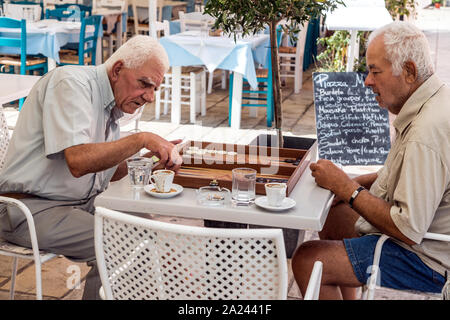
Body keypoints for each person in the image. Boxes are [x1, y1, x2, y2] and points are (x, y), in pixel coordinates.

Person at [0, 35, 182, 299]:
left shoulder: (112, 102)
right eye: (145, 84)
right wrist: (141, 139)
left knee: (150, 230)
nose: (150, 97)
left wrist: (153, 162)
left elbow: (104, 170)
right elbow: (79, 161)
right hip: (29, 208)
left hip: (75, 203)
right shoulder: (71, 83)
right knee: (124, 243)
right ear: (118, 69)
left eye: (155, 88)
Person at [292, 21, 450, 300]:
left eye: (375, 71)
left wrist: (348, 189)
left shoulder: (425, 133)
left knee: (308, 259)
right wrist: (351, 183)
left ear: (410, 71)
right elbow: (402, 171)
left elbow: (407, 228)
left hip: (430, 260)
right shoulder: (435, 99)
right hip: (427, 236)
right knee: (333, 214)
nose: (367, 81)